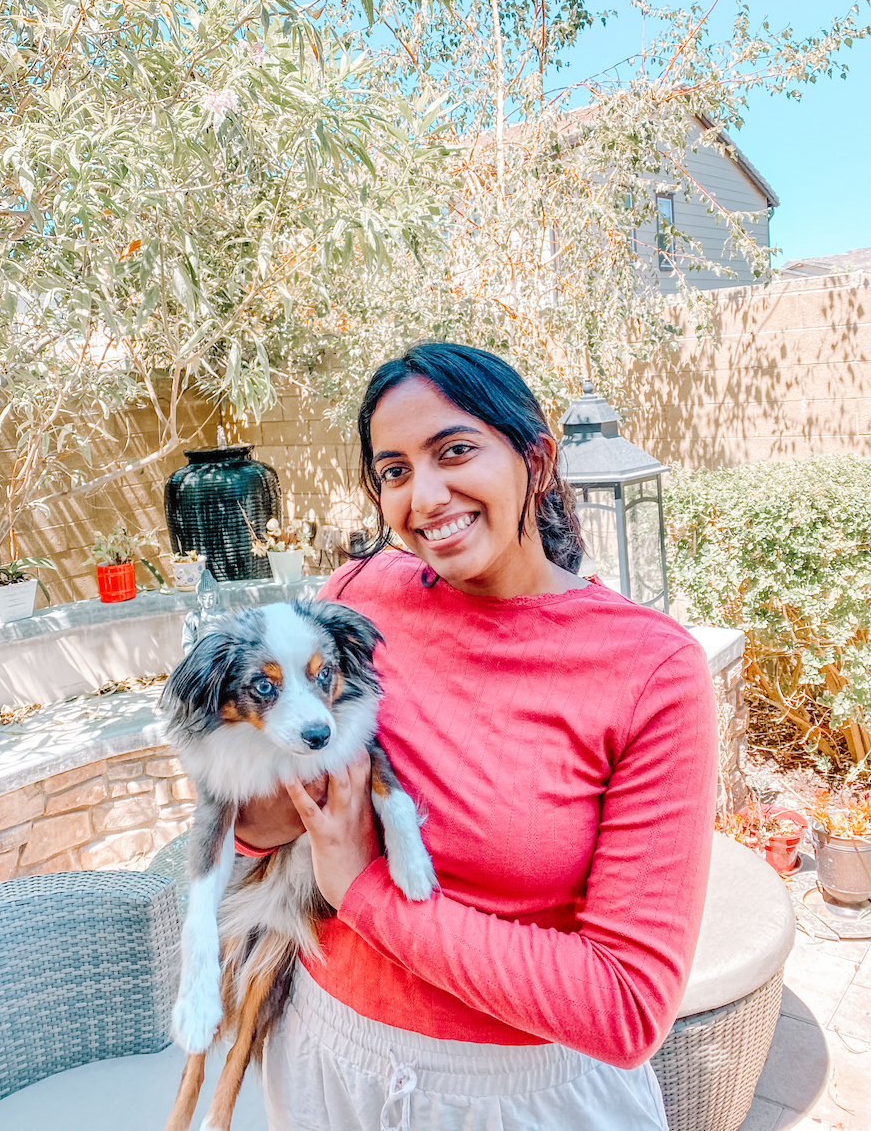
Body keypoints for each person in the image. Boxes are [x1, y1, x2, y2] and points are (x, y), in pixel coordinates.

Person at [235, 342, 717, 1131]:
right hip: (324, 1057)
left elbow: (625, 1003)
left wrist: (361, 887)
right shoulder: (356, 596)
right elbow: (256, 823)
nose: (424, 497)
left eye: (455, 450)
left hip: (523, 1098)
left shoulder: (651, 669)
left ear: (536, 458)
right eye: (394, 470)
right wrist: (269, 805)